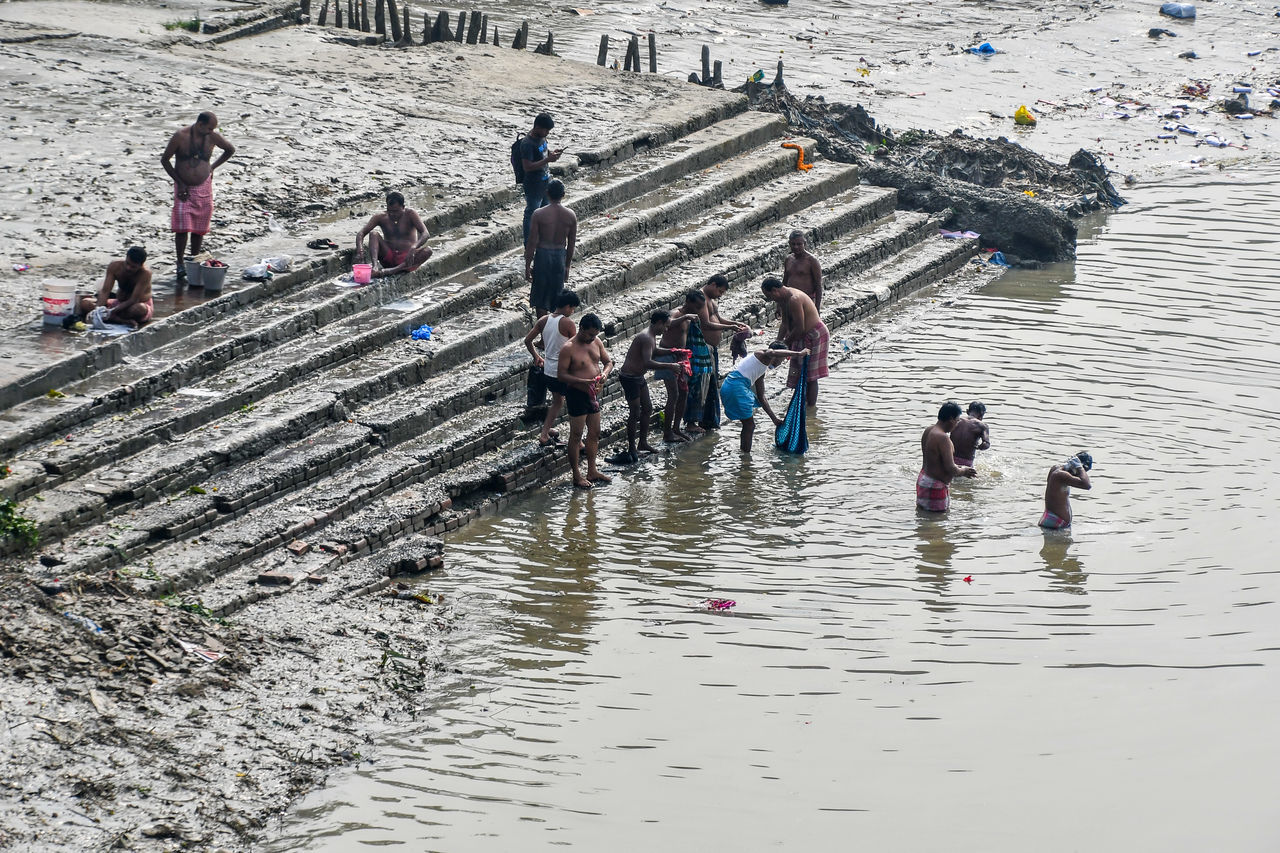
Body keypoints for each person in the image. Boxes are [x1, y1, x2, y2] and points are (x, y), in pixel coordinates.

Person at [161, 112, 235, 279]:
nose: (211, 132)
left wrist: (212, 167)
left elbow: (230, 149)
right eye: (209, 128)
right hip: (183, 186)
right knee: (182, 226)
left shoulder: (212, 137)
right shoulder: (180, 136)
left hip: (203, 186)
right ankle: (180, 262)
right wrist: (179, 182)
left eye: (213, 129)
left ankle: (194, 260)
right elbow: (165, 160)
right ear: (199, 124)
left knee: (199, 228)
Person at [683, 274, 748, 433]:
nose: (720, 295)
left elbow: (717, 318)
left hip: (711, 349)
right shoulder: (701, 299)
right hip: (701, 350)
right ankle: (693, 422)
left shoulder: (711, 300)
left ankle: (707, 421)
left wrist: (735, 323)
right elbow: (706, 324)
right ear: (712, 284)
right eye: (720, 291)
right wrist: (730, 328)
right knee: (700, 385)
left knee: (711, 386)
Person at [609, 310, 674, 464]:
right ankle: (632, 448)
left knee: (648, 408)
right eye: (665, 326)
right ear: (659, 323)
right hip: (630, 378)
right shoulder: (646, 337)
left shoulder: (651, 337)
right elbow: (647, 362)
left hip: (638, 377)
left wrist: (673, 351)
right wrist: (670, 365)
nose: (666, 330)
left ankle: (642, 442)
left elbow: (654, 352)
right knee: (635, 412)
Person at [557, 313, 613, 489]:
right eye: (589, 334)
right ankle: (576, 475)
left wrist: (604, 374)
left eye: (594, 335)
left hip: (593, 394)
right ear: (581, 329)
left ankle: (592, 470)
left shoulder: (596, 342)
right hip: (577, 394)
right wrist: (584, 382)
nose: (592, 338)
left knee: (595, 432)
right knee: (576, 435)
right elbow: (561, 375)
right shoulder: (569, 348)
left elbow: (608, 362)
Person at [721, 342, 810, 452]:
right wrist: (798, 353)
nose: (781, 363)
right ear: (778, 356)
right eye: (782, 359)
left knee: (748, 425)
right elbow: (771, 352)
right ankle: (745, 459)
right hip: (736, 388)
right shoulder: (761, 354)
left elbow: (761, 397)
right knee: (749, 425)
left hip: (730, 386)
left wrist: (774, 419)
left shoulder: (761, 369)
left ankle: (744, 455)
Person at [761, 277, 829, 410]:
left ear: (775, 290)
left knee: (810, 376)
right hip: (800, 337)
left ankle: (810, 409)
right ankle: (801, 404)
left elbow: (800, 328)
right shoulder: (783, 299)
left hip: (815, 335)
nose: (771, 299)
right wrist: (776, 344)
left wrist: (784, 346)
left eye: (769, 296)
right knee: (799, 372)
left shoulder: (794, 299)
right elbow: (785, 324)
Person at [524, 290, 581, 447]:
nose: (573, 311)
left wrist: (536, 357)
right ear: (568, 306)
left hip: (548, 370)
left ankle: (546, 431)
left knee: (557, 401)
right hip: (563, 370)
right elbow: (575, 348)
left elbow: (528, 340)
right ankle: (553, 435)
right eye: (573, 308)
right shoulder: (567, 323)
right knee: (570, 403)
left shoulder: (543, 320)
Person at [654, 290, 703, 443]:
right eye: (696, 307)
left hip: (681, 358)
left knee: (683, 394)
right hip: (667, 357)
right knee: (673, 395)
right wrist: (686, 316)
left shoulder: (689, 318)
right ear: (688, 301)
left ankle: (676, 428)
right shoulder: (676, 314)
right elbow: (669, 324)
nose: (698, 311)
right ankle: (667, 433)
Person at [524, 179, 577, 318]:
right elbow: (571, 244)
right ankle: (554, 330)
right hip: (559, 256)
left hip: (542, 255)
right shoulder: (571, 215)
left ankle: (544, 334)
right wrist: (567, 266)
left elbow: (532, 242)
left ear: (547, 193)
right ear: (563, 194)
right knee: (556, 296)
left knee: (540, 298)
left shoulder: (538, 214)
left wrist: (527, 265)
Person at [355, 192, 433, 278]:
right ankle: (375, 267)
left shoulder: (410, 214)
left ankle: (393, 270)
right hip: (388, 256)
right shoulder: (381, 217)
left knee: (428, 250)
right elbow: (361, 233)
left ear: (403, 207)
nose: (392, 214)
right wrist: (360, 252)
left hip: (407, 259)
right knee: (373, 234)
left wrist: (414, 247)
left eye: (396, 211)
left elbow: (426, 234)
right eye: (390, 211)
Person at [918, 401, 978, 512]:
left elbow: (936, 461)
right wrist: (964, 470)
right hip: (935, 486)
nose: (957, 424)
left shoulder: (929, 430)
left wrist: (958, 466)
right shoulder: (943, 438)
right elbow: (951, 469)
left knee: (924, 516)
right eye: (957, 420)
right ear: (951, 419)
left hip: (924, 480)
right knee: (938, 522)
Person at [77, 246, 153, 328]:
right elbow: (105, 291)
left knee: (139, 309)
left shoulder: (145, 274)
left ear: (141, 265)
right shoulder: (115, 266)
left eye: (133, 267)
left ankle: (112, 318)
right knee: (85, 303)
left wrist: (113, 311)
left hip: (135, 305)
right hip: (118, 303)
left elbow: (134, 300)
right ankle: (120, 320)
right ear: (126, 258)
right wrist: (98, 309)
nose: (128, 268)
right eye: (127, 263)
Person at [519, 112, 563, 244]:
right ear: (537, 127)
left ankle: (543, 242)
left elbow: (544, 152)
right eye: (546, 130)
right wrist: (547, 160)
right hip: (534, 185)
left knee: (545, 213)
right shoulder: (527, 143)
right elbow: (527, 167)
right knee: (531, 215)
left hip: (545, 182)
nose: (547, 133)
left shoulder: (542, 138)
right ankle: (529, 244)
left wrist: (552, 155)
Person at [1040, 451, 1093, 529]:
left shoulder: (1056, 469)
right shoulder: (1060, 475)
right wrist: (1079, 467)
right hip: (1056, 523)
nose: (1079, 475)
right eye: (1082, 472)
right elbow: (1087, 485)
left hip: (1053, 520)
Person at [783, 230, 823, 311]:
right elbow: (785, 282)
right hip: (790, 301)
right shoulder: (788, 259)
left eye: (799, 244)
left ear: (804, 243)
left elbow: (818, 285)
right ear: (789, 244)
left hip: (806, 302)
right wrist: (780, 305)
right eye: (793, 244)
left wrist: (817, 308)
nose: (796, 247)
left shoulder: (812, 261)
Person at [950, 401, 990, 468]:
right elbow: (986, 443)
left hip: (949, 459)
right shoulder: (982, 426)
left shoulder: (956, 420)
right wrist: (980, 447)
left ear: (967, 411)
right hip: (966, 463)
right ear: (981, 415)